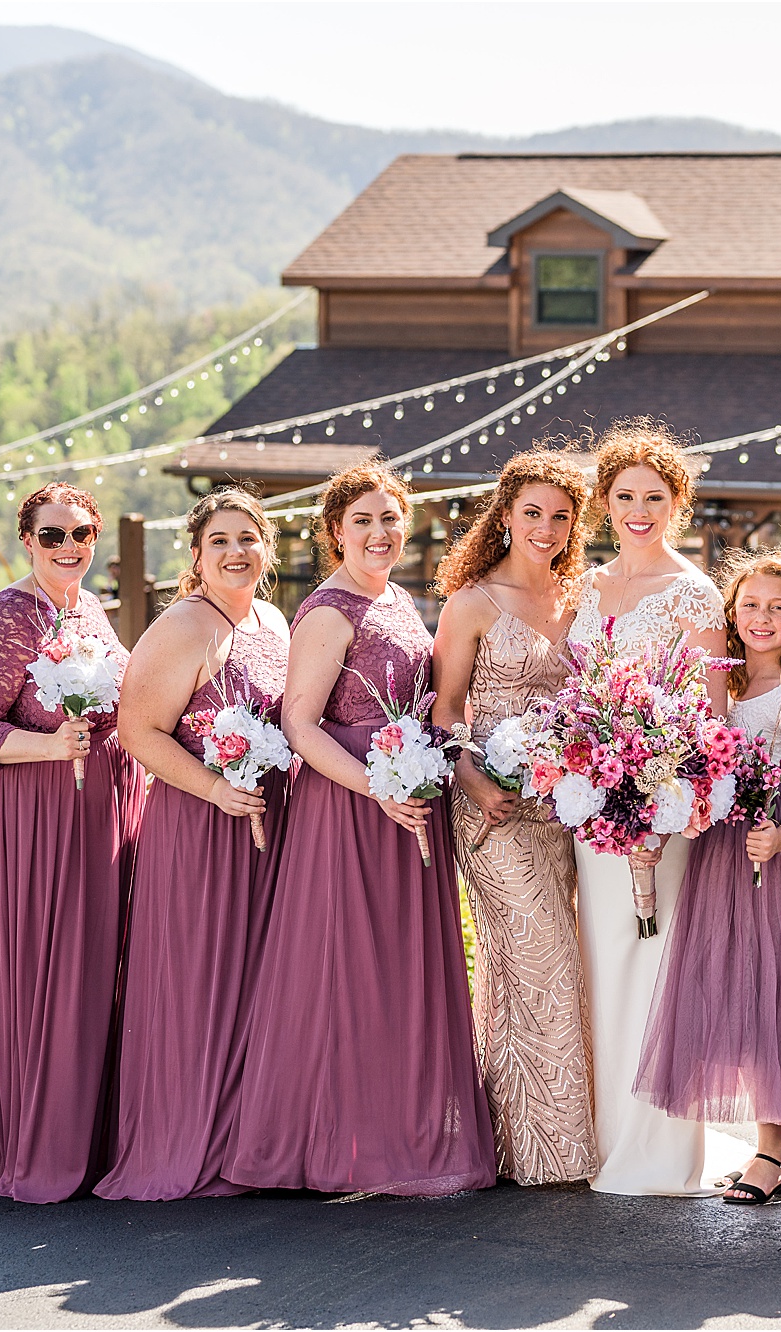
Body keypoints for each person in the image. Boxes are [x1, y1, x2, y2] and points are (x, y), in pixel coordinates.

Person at [225, 463, 496, 1197]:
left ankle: (396, 1132)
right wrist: (376, 787)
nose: (380, 534)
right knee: (342, 967)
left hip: (408, 801)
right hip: (349, 808)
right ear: (335, 533)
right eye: (363, 522)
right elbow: (301, 725)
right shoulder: (327, 611)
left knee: (400, 968)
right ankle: (322, 1142)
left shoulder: (402, 599)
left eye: (390, 519)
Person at [0, 481, 147, 1203]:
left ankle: (89, 1131)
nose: (70, 547)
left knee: (94, 959)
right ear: (27, 541)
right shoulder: (6, 617)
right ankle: (26, 1135)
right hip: (35, 818)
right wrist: (51, 748)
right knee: (43, 961)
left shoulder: (90, 608)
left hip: (100, 807)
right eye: (53, 535)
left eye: (82, 533)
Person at [96, 487, 291, 1200]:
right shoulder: (183, 628)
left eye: (249, 539)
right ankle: (190, 1140)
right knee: (201, 980)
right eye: (221, 542)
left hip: (271, 828)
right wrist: (214, 790)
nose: (237, 552)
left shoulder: (273, 620)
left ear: (265, 548)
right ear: (197, 556)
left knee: (261, 982)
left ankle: (252, 1138)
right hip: (201, 831)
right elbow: (137, 731)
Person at [635, 550, 781, 1206]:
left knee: (767, 995)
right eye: (750, 604)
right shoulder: (717, 688)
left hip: (768, 856)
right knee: (729, 995)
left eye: (778, 607)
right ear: (731, 611)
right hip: (720, 854)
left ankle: (774, 1149)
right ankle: (771, 1146)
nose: (762, 617)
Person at [566, 420, 728, 1197]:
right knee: (599, 963)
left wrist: (665, 808)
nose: (639, 510)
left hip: (660, 814)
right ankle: (595, 1140)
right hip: (589, 810)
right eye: (625, 496)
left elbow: (711, 720)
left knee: (653, 963)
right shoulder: (587, 585)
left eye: (654, 497)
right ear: (604, 502)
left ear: (677, 503)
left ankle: (656, 1152)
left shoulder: (692, 593)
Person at [431, 448, 598, 1186]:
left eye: (561, 516)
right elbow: (442, 709)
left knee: (548, 967)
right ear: (505, 516)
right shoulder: (473, 601)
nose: (547, 527)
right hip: (493, 809)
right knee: (544, 961)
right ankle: (552, 1154)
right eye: (532, 512)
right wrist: (470, 780)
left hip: (566, 811)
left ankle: (509, 1136)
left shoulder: (579, 600)